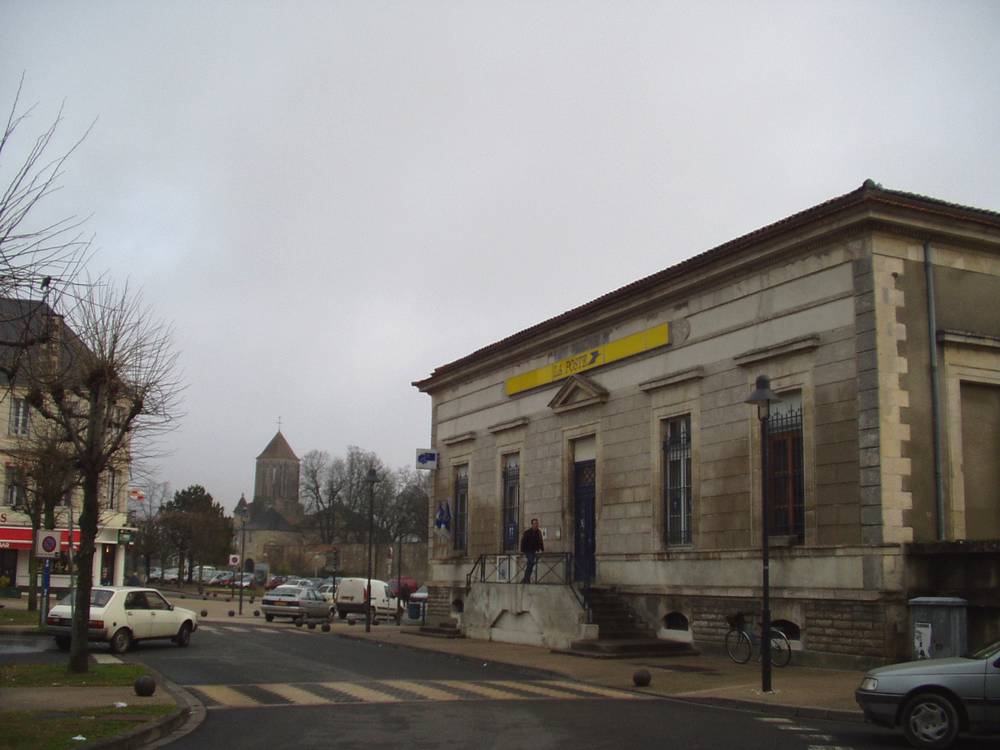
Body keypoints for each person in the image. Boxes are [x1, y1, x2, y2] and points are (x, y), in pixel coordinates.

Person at [520, 518, 544, 584]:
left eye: (537, 523)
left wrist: (542, 549)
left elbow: (541, 541)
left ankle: (526, 579)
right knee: (531, 562)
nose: (536, 525)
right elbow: (523, 542)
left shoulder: (539, 532)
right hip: (528, 550)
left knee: (531, 564)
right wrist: (522, 550)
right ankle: (526, 579)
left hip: (534, 551)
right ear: (532, 524)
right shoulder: (527, 532)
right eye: (534, 523)